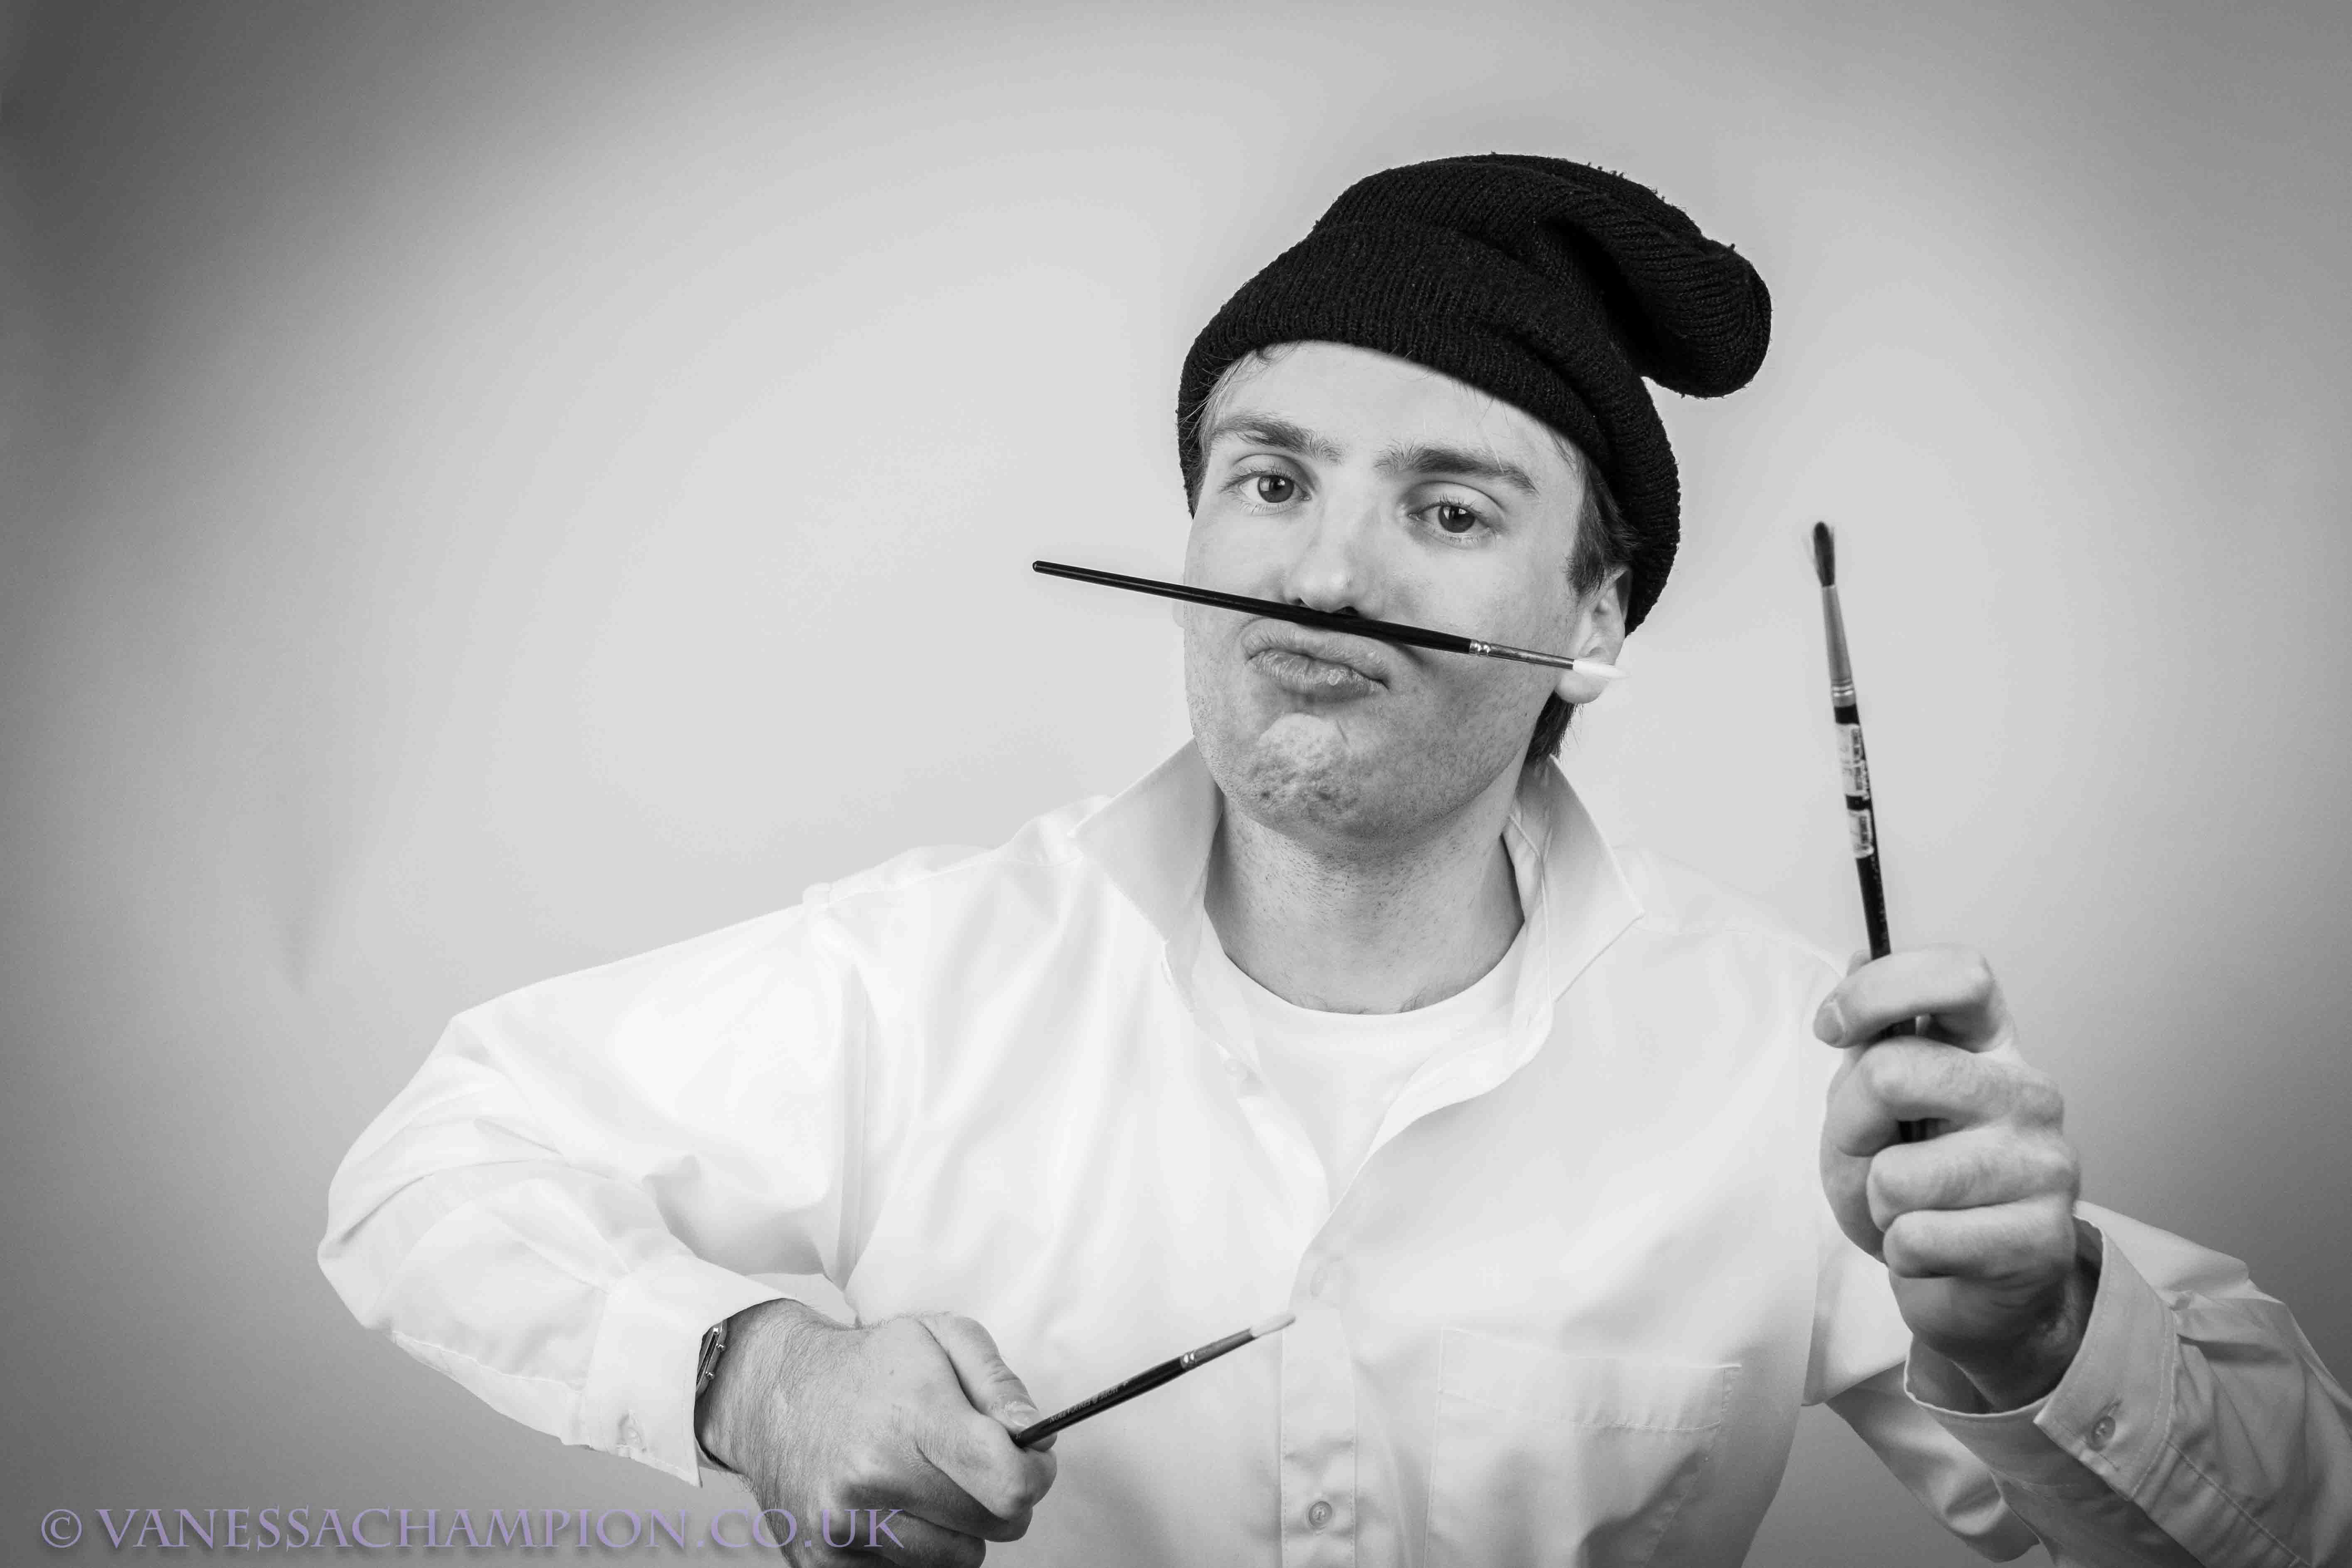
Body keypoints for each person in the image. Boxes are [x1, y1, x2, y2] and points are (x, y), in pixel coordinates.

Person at [319, 154, 2347, 1567]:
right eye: (1269, 479)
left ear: (1591, 626)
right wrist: (754, 1375)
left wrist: (2040, 1334)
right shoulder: (915, 975)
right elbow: (429, 1169)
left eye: (1446, 511)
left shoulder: (1783, 1069)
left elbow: (2301, 1516)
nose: (1318, 575)